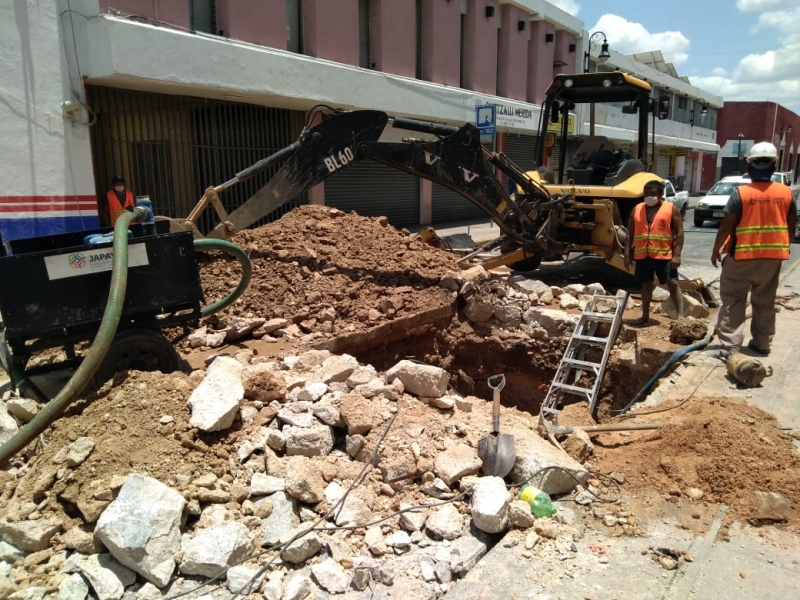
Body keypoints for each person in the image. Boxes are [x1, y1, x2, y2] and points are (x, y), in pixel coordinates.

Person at [711, 142, 796, 355]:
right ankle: (762, 343)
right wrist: (783, 247)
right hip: (772, 257)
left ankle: (730, 346)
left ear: (749, 169)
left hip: (741, 256)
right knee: (765, 301)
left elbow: (726, 226)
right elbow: (791, 226)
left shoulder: (741, 194)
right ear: (774, 167)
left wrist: (716, 250)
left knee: (733, 300)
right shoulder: (786, 194)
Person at [624, 179, 684, 326]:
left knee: (673, 283)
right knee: (646, 285)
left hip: (664, 255)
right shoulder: (637, 209)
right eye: (646, 194)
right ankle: (645, 316)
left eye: (652, 194)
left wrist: (677, 255)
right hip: (643, 255)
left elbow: (680, 232)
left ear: (661, 194)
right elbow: (629, 234)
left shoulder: (671, 209)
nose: (648, 197)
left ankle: (681, 318)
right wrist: (627, 254)